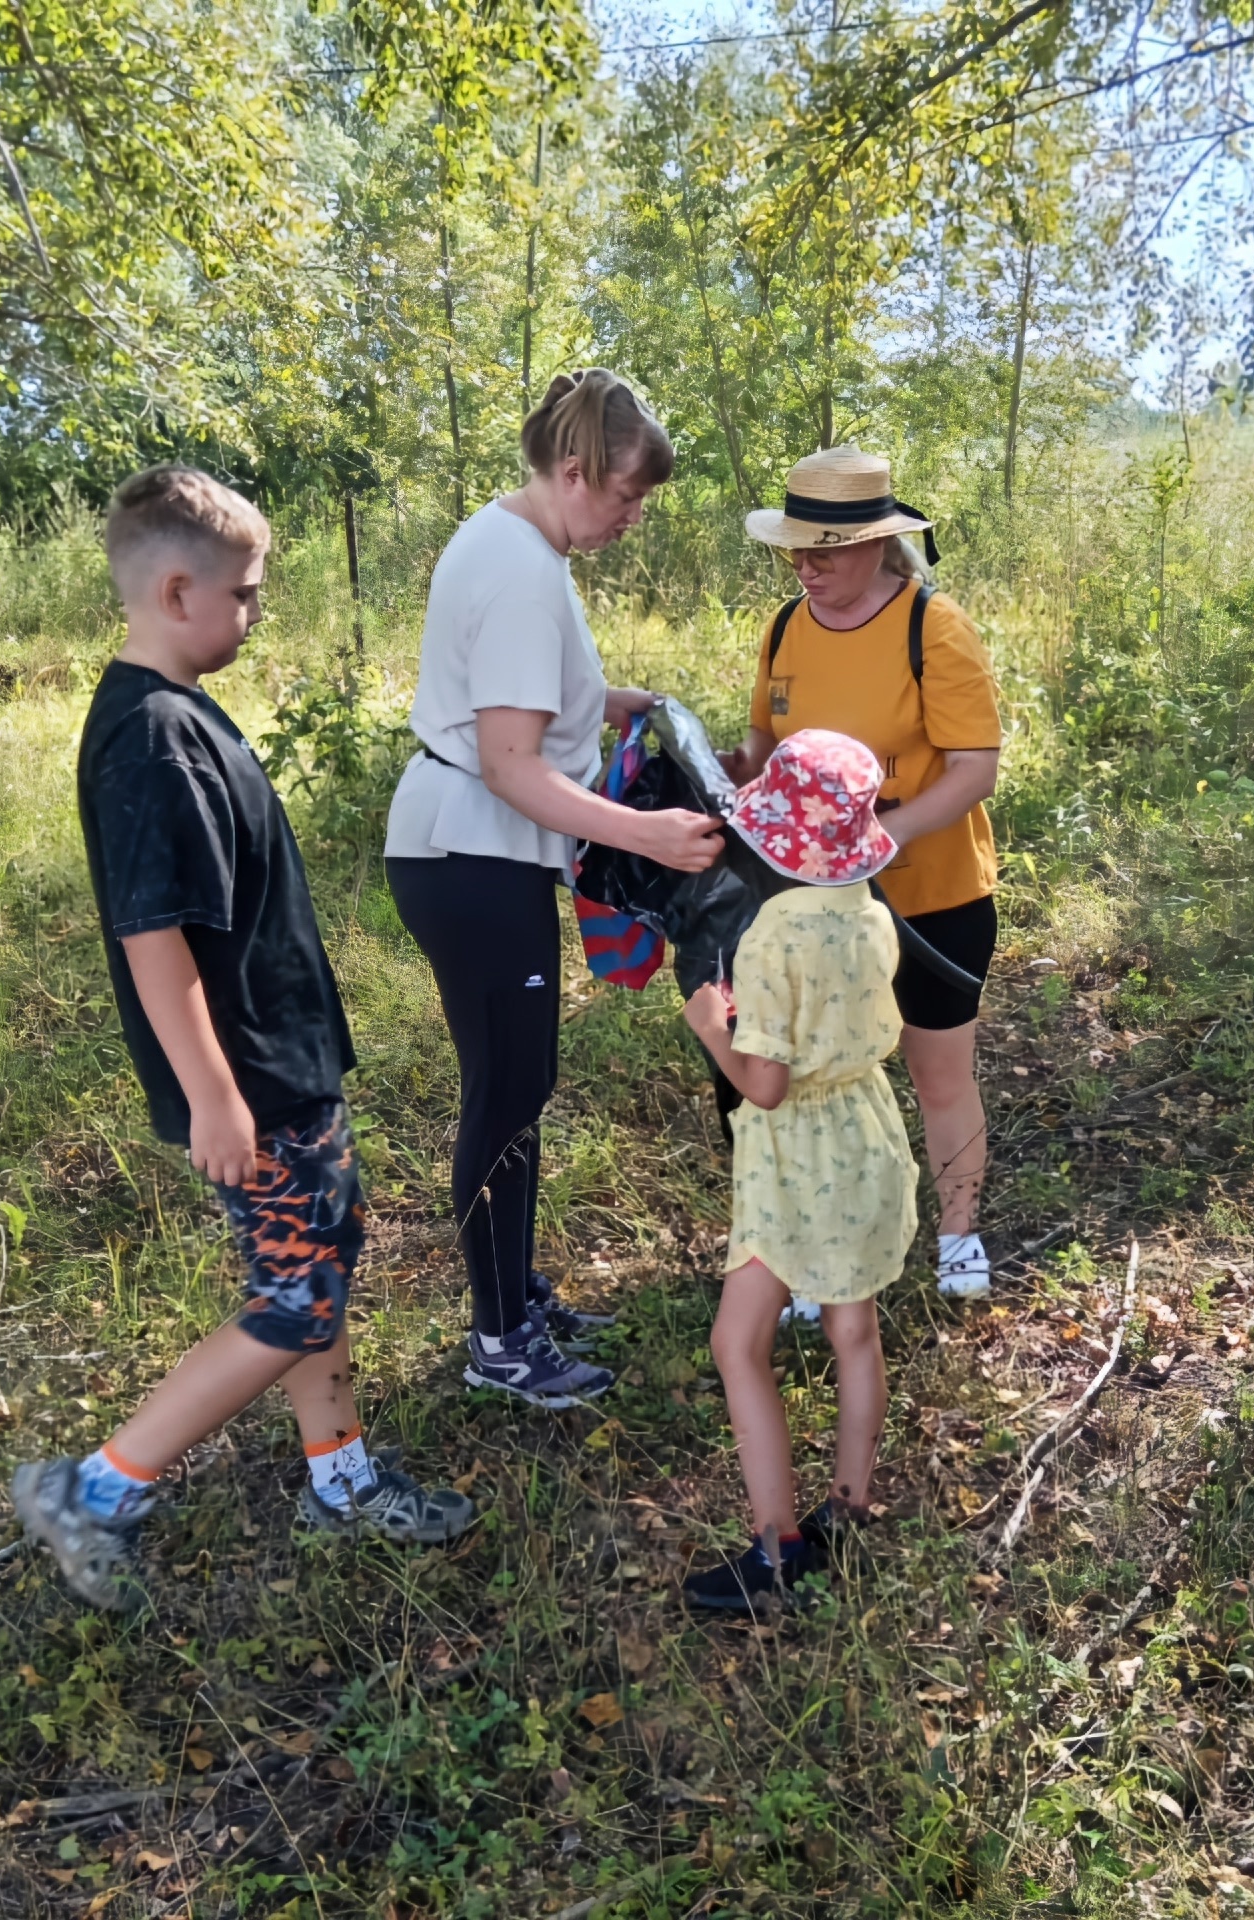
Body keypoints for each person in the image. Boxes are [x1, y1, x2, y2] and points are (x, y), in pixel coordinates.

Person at [14, 466, 472, 1611]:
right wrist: (215, 1095)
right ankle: (95, 1489)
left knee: (319, 1265)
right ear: (178, 592)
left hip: (284, 1064)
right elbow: (152, 936)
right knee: (293, 1298)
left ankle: (341, 1475)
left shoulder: (174, 710)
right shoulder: (152, 739)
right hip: (252, 1082)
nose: (257, 611)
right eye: (247, 593)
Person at [385, 371, 725, 1407]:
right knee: (505, 1093)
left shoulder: (518, 545)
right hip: (471, 851)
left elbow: (513, 696)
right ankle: (500, 1341)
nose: (633, 516)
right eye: (627, 495)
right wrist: (647, 834)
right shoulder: (523, 572)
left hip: (474, 850)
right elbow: (508, 763)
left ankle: (516, 1296)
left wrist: (604, 699)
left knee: (522, 1084)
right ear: (573, 472)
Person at [723, 447, 1003, 1302]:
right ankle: (817, 1255)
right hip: (811, 908)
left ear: (876, 544)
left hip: (931, 899)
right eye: (794, 550)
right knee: (814, 1082)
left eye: (825, 552)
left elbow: (974, 768)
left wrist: (882, 836)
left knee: (938, 1075)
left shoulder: (932, 627)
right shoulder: (784, 628)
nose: (805, 567)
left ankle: (957, 1233)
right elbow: (764, 748)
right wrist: (719, 773)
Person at [679, 731, 919, 1610]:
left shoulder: (773, 934)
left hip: (793, 1161)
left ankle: (776, 1555)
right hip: (865, 1130)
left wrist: (713, 1027)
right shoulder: (869, 910)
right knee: (853, 1330)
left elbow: (767, 1086)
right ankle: (847, 1512)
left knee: (737, 1344)